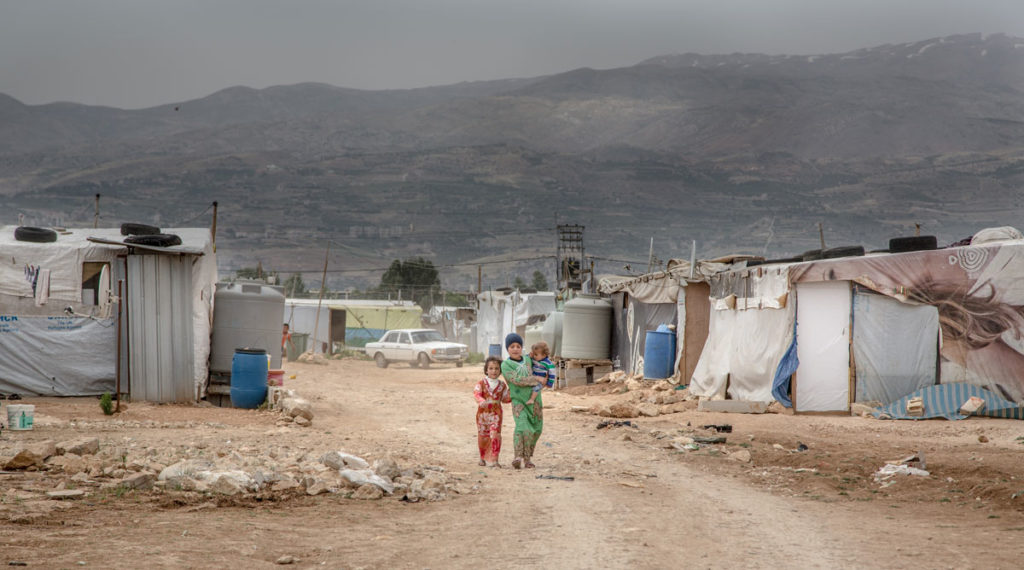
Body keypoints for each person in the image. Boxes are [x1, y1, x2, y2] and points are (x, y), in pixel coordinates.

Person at [501, 332, 543, 469]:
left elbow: (543, 362)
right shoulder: (506, 365)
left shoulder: (528, 359)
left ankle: (528, 458)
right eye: (512, 346)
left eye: (518, 346)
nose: (515, 349)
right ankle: (518, 456)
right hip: (519, 402)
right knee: (522, 427)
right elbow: (516, 380)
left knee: (536, 429)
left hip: (535, 401)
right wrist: (535, 380)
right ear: (507, 348)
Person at [474, 356, 511, 467]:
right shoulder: (481, 383)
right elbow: (476, 394)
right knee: (483, 436)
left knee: (495, 434)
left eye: (496, 368)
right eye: (491, 368)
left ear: (500, 371)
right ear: (486, 370)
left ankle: (495, 460)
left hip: (496, 414)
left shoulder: (502, 385)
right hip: (482, 415)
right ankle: (482, 458)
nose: (493, 371)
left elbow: (505, 399)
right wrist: (481, 400)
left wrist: (514, 394)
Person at [525, 341, 555, 406]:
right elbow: (525, 358)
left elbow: (552, 373)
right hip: (533, 378)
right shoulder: (534, 359)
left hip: (541, 381)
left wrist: (550, 383)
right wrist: (529, 355)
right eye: (533, 354)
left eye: (536, 354)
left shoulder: (548, 363)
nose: (534, 356)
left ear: (544, 355)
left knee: (536, 388)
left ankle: (532, 399)